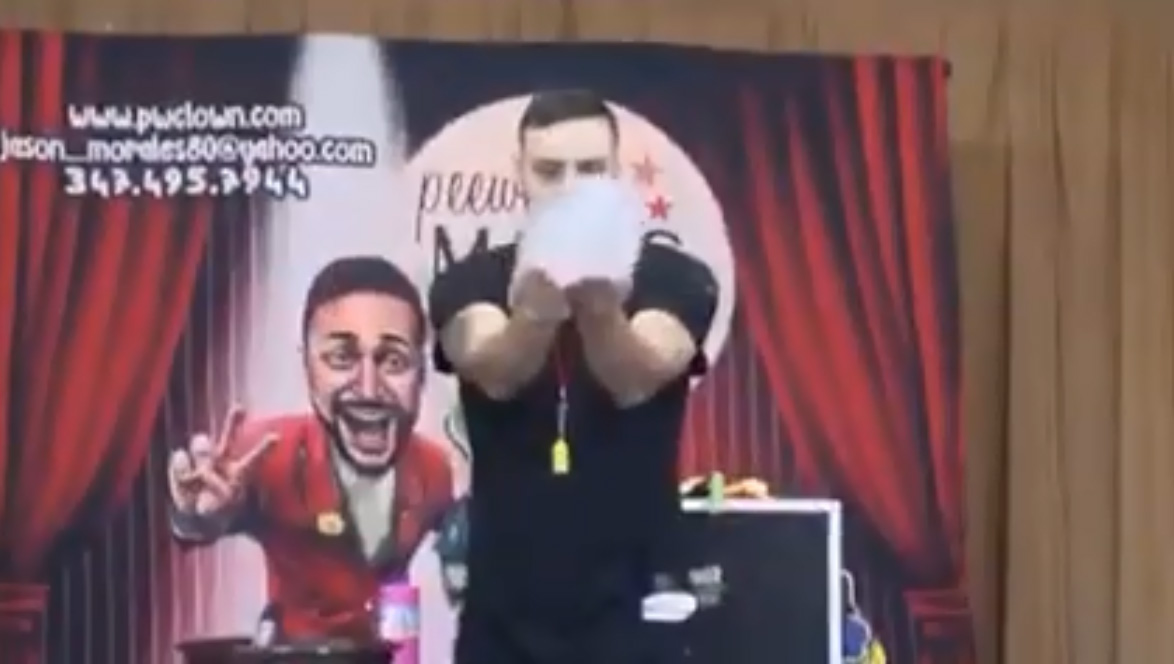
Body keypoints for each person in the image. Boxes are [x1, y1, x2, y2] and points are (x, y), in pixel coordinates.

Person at [429, 89, 718, 664]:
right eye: (549, 171)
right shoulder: (470, 280)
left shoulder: (674, 276)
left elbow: (636, 380)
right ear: (520, 174)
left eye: (589, 170)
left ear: (616, 172)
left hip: (636, 608)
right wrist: (536, 312)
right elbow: (496, 373)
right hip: (503, 616)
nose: (569, 188)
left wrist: (599, 308)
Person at [168, 256, 455, 643]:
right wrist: (198, 517)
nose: (369, 389)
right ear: (307, 365)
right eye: (341, 358)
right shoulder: (266, 453)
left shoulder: (434, 470)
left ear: (421, 373)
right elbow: (203, 523)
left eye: (393, 360)